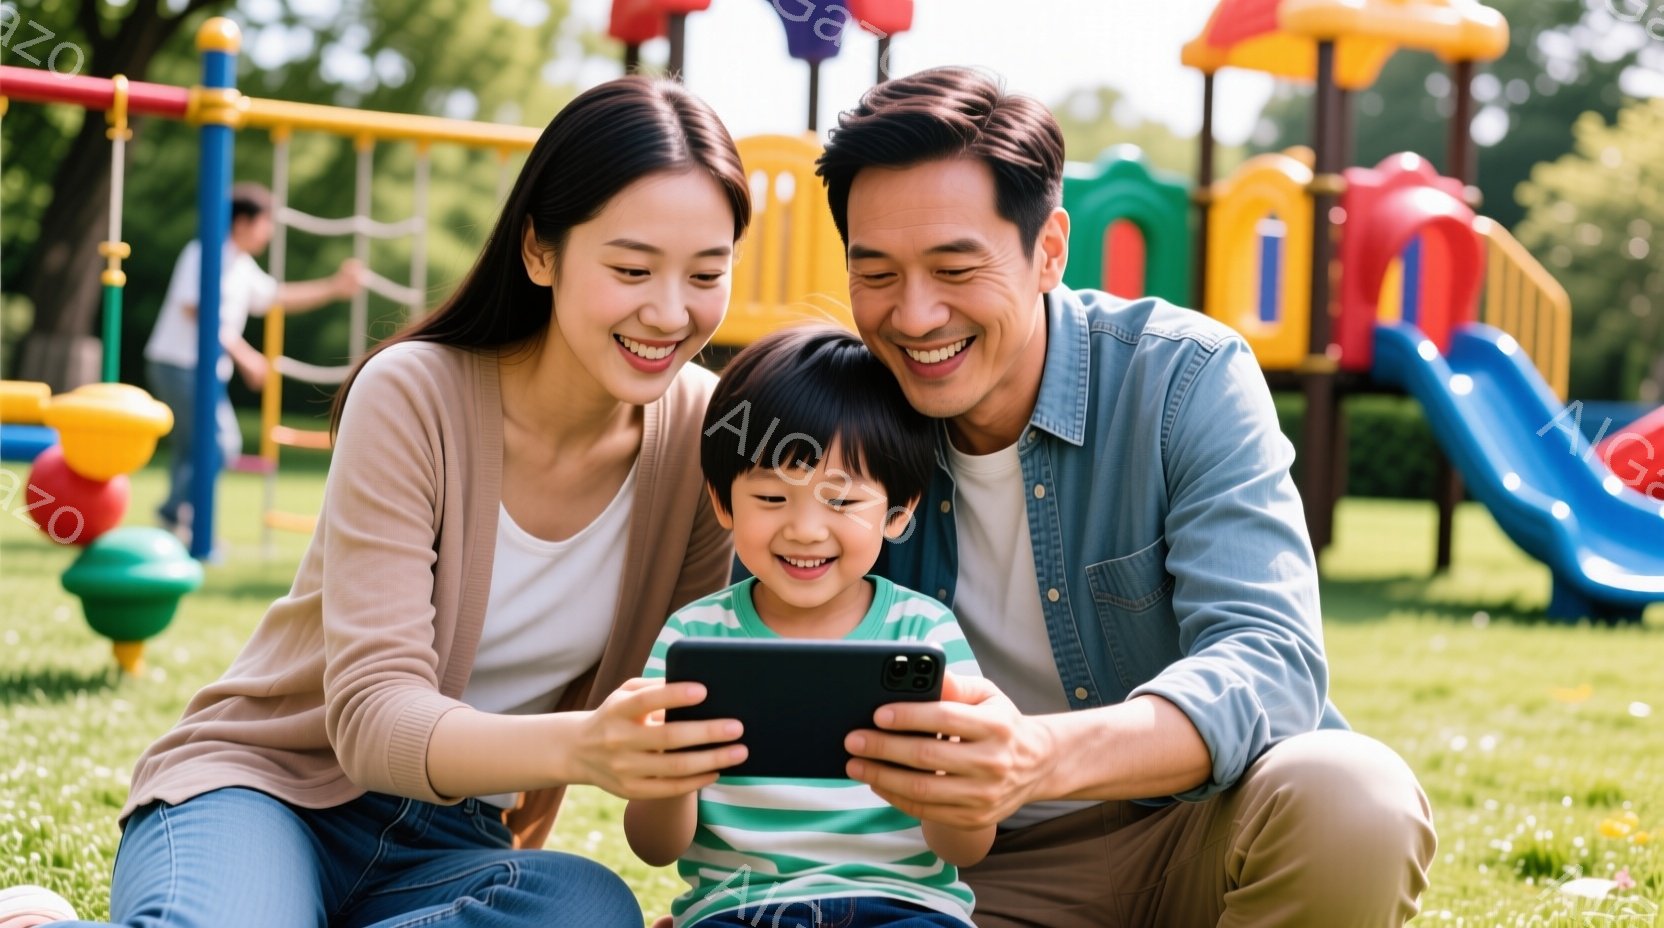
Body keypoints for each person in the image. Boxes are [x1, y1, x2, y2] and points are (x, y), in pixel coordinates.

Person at [0, 76, 754, 928]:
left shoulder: (710, 435)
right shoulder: (415, 393)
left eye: (707, 273)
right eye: (630, 268)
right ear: (540, 251)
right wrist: (586, 746)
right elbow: (371, 721)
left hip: (457, 848)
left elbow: (697, 692)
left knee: (585, 908)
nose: (669, 311)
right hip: (270, 793)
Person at [813, 67, 1438, 927]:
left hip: (1187, 833)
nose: (915, 316)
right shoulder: (829, 419)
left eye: (955, 267)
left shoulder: (1186, 379)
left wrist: (1037, 756)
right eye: (875, 273)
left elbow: (1270, 661)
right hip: (953, 876)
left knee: (1353, 794)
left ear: (1050, 249)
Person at [626, 326, 994, 928]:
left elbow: (965, 848)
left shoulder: (925, 633)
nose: (804, 530)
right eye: (771, 498)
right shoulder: (695, 637)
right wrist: (666, 772)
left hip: (905, 909)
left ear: (899, 513)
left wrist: (956, 782)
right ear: (724, 503)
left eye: (842, 502)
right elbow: (654, 847)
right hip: (741, 909)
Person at [142, 181, 364, 549]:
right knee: (220, 443)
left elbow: (276, 296)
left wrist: (334, 287)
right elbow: (196, 307)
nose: (270, 231)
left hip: (201, 370)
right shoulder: (203, 253)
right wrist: (244, 355)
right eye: (266, 222)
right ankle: (175, 516)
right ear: (243, 222)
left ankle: (176, 522)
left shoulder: (241, 266)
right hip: (178, 364)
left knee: (191, 451)